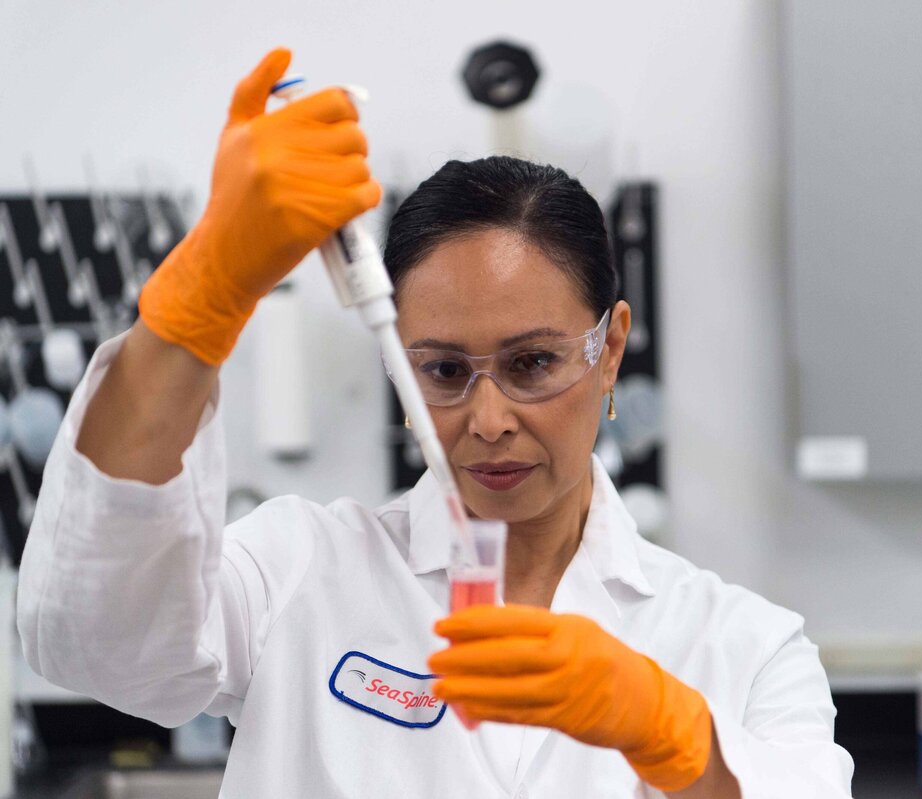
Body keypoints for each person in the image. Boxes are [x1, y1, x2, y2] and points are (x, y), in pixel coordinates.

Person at [16, 49, 853, 798]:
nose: (487, 421)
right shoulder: (299, 570)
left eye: (532, 363)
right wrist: (196, 304)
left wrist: (670, 733)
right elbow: (91, 640)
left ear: (610, 349)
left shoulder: (741, 646)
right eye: (445, 371)